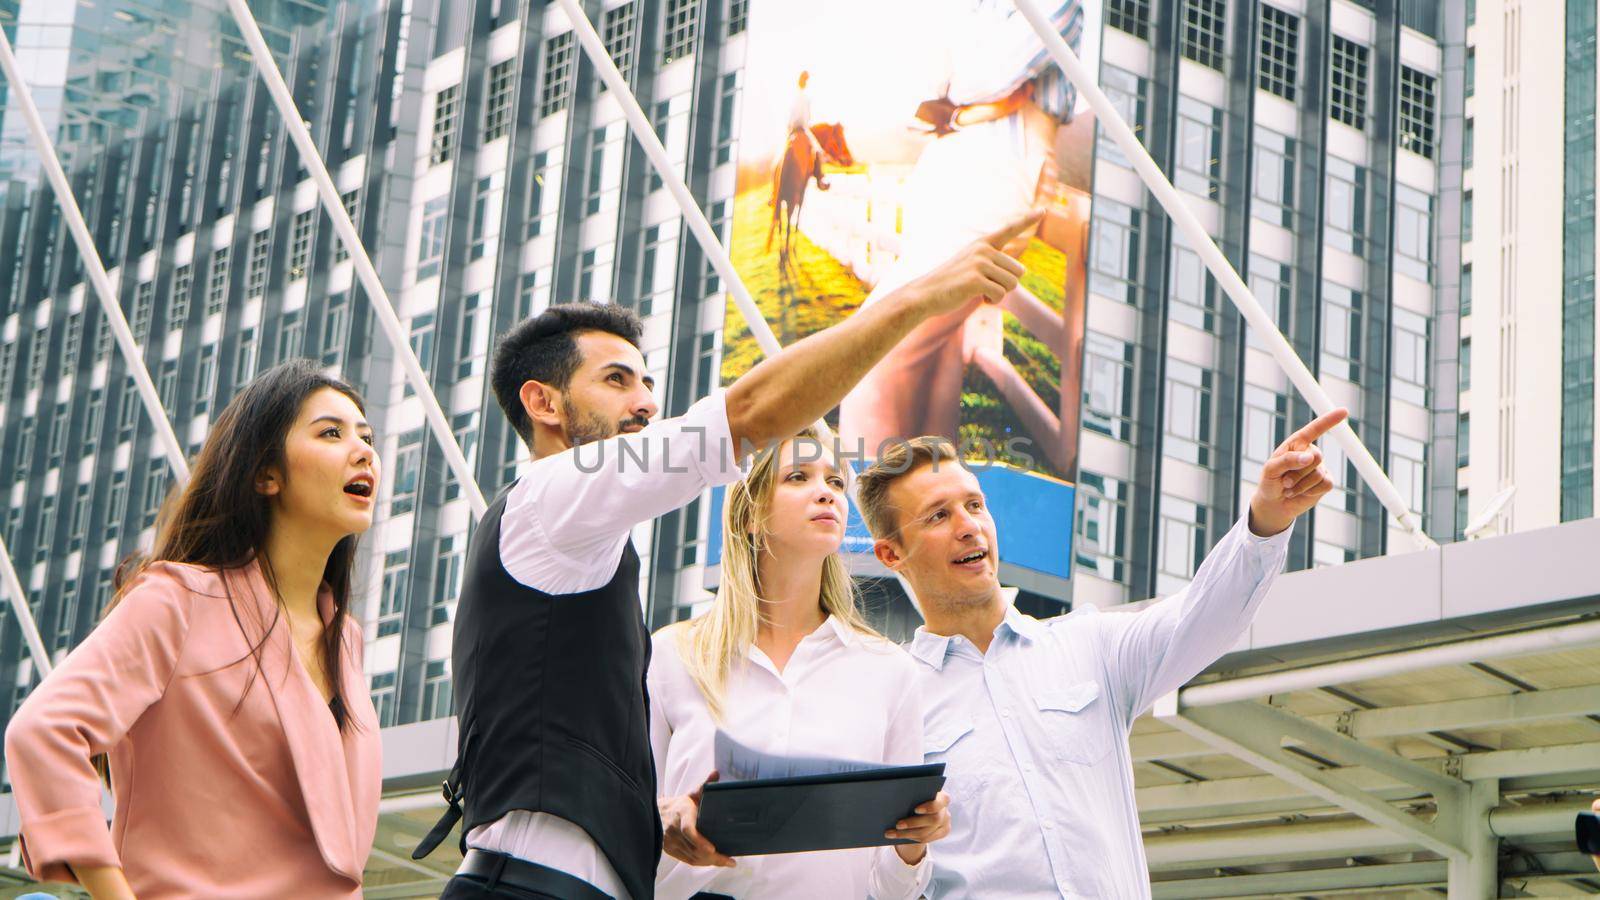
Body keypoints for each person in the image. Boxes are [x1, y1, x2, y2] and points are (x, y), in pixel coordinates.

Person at [420, 219, 1033, 900]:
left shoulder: (585, 548)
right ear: (544, 403)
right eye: (617, 381)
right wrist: (916, 300)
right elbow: (748, 416)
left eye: (646, 383)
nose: (646, 402)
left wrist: (673, 819)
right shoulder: (550, 500)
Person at [853, 408, 1349, 897]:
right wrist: (908, 850)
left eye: (975, 505)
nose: (969, 527)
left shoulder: (1090, 646)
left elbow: (1203, 616)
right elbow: (874, 887)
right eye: (939, 515)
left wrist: (1267, 518)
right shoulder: (889, 702)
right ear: (891, 554)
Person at [4, 359, 384, 899]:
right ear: (266, 474)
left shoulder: (347, 642)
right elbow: (43, 732)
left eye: (366, 437)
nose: (364, 450)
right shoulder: (177, 600)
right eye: (331, 433)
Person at [648, 431, 951, 899]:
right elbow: (622, 823)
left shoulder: (890, 671)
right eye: (798, 477)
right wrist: (661, 817)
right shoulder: (671, 656)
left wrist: (913, 846)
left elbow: (893, 892)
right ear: (750, 516)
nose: (827, 491)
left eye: (834, 480)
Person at [839, 0, 1087, 460]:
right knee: (935, 352)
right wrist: (970, 107)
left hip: (1000, 171)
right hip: (952, 168)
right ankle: (927, 506)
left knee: (877, 354)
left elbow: (984, 76)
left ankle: (861, 509)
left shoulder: (1058, 5)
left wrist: (969, 97)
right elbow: (931, 91)